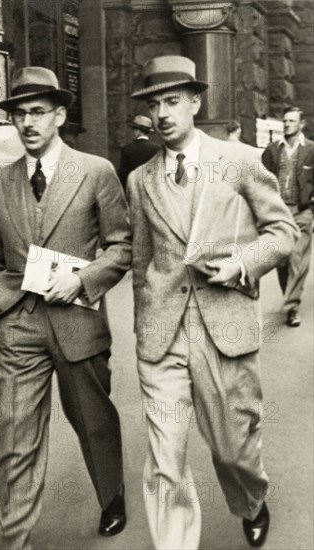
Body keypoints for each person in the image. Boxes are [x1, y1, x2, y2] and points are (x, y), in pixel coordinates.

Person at [127, 55, 298, 550]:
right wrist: (146, 325)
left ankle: (251, 501)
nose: (162, 113)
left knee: (232, 450)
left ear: (196, 102)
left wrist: (243, 262)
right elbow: (142, 263)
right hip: (163, 338)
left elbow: (282, 232)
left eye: (173, 101)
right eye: (154, 103)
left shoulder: (241, 160)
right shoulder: (141, 181)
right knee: (166, 460)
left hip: (224, 329)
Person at [0, 66, 131, 549]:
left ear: (60, 115)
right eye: (20, 114)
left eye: (38, 112)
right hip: (20, 325)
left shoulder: (95, 171)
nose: (28, 123)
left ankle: (112, 496)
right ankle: (10, 539)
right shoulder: (1, 181)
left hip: (77, 322)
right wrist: (3, 309)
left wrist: (82, 279)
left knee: (93, 422)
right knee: (16, 438)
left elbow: (122, 246)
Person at [262, 106, 314, 327]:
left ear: (301, 124)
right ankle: (289, 298)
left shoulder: (311, 149)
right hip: (278, 213)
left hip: (302, 211)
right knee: (282, 261)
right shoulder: (273, 150)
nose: (287, 124)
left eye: (292, 121)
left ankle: (292, 308)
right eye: (285, 121)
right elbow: (260, 180)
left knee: (297, 258)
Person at [118, 114, 160, 189]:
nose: (133, 132)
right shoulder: (157, 149)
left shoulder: (127, 149)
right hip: (153, 191)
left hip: (134, 190)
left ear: (138, 131)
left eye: (134, 129)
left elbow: (123, 176)